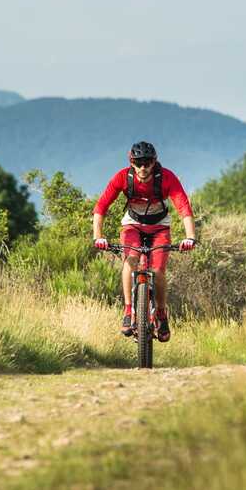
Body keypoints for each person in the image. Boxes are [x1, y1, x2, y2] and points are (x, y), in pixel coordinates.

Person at [92, 141, 196, 342]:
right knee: (130, 260)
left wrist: (190, 237)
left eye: (147, 163)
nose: (143, 167)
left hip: (159, 227)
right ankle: (129, 311)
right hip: (133, 225)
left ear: (154, 162)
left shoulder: (166, 177)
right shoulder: (123, 177)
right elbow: (101, 207)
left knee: (157, 271)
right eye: (138, 162)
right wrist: (98, 236)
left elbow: (183, 207)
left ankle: (161, 314)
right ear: (131, 162)